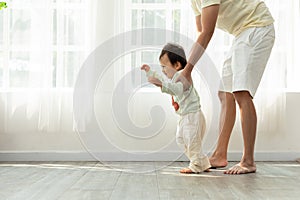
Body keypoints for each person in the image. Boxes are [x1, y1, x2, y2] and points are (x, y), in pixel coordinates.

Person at [179, 0, 275, 174]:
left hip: (257, 27)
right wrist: (186, 71)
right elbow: (201, 31)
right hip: (242, 32)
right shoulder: (194, 1)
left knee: (241, 93)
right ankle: (219, 155)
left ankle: (248, 161)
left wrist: (187, 71)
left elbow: (208, 32)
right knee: (225, 93)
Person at [141, 43, 211, 173]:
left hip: (192, 115)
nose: (163, 70)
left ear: (177, 65)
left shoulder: (183, 75)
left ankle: (196, 164)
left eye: (164, 66)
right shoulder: (174, 77)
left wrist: (161, 84)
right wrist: (149, 72)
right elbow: (162, 78)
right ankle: (202, 162)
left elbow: (177, 90)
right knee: (180, 138)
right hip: (185, 115)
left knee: (191, 140)